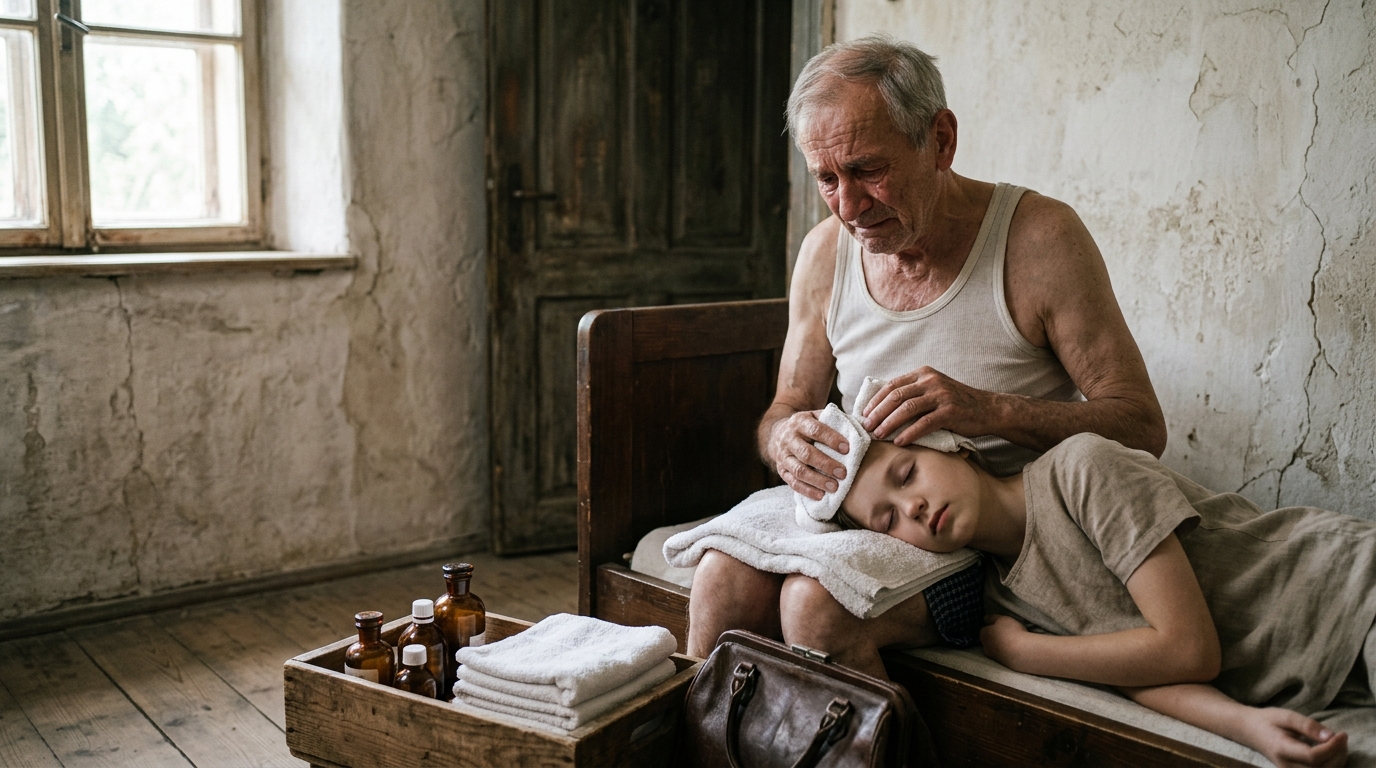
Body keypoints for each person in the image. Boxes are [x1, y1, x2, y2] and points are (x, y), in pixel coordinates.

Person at [687, 34, 1167, 662]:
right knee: (720, 577)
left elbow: (1141, 428)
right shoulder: (825, 253)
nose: (849, 206)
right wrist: (783, 441)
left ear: (940, 140)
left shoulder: (1039, 239)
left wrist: (988, 410)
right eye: (827, 178)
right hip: (878, 525)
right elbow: (786, 407)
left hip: (1001, 547)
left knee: (816, 604)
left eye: (868, 170)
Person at [838, 432, 1372, 768]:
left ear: (954, 445)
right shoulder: (1000, 599)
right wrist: (1247, 725)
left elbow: (1188, 649)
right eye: (888, 521)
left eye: (907, 474)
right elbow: (1136, 670)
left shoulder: (1081, 469)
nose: (912, 507)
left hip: (1346, 589)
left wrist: (1025, 654)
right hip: (1310, 688)